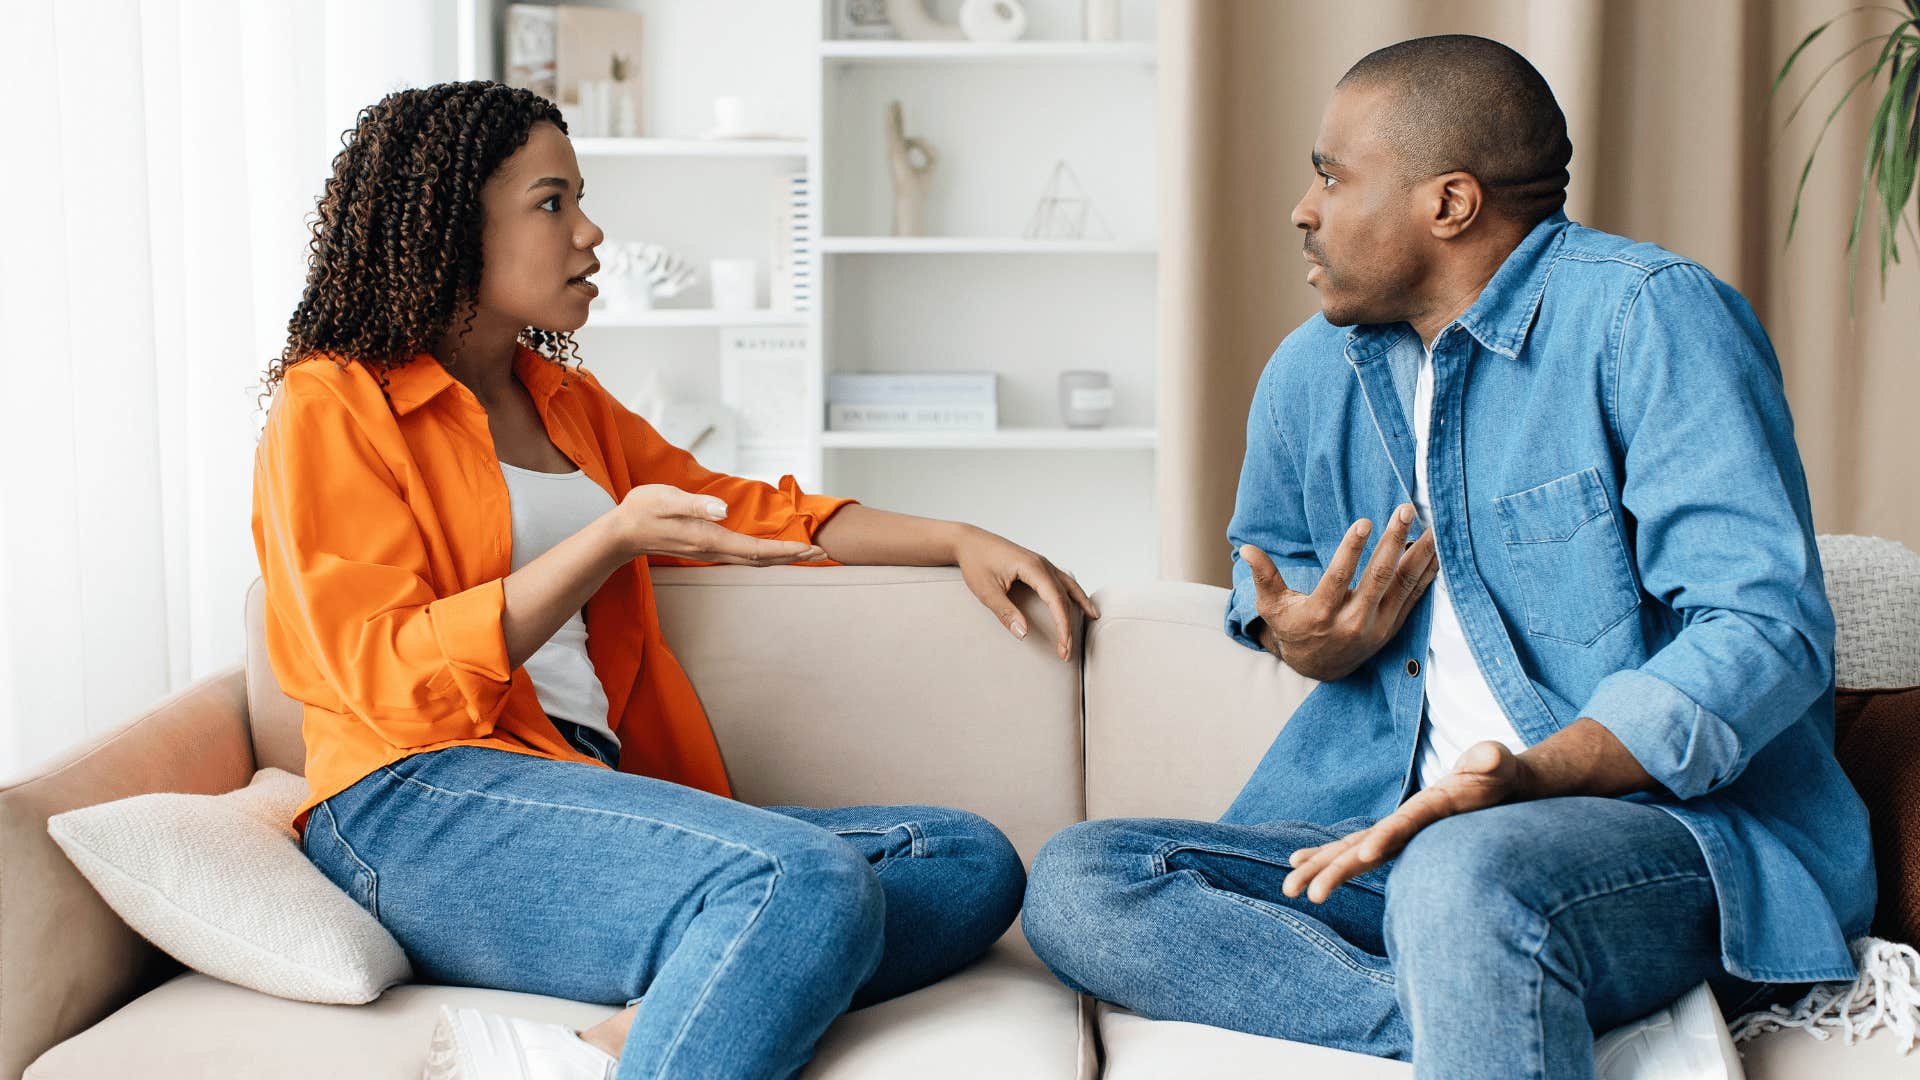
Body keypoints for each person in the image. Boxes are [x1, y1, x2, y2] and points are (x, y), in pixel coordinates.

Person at [1019, 34, 1874, 1079]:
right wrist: (1300, 638)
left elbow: (1764, 629)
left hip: (1655, 840)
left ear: (1451, 203)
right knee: (1083, 880)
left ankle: (1492, 976)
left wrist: (1532, 776)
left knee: (1465, 877)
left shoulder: (1647, 318)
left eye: (1333, 176)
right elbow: (1269, 569)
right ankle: (1488, 1006)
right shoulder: (1311, 370)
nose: (1303, 208)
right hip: (1376, 835)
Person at [251, 81, 1097, 1080]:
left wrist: (955, 538)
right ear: (450, 226)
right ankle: (727, 970)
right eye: (552, 203)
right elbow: (386, 676)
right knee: (806, 881)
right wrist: (607, 540)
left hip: (582, 787)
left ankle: (645, 1023)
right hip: (414, 804)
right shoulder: (333, 402)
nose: (590, 232)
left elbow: (733, 507)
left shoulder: (565, 402)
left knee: (963, 860)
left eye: (580, 199)